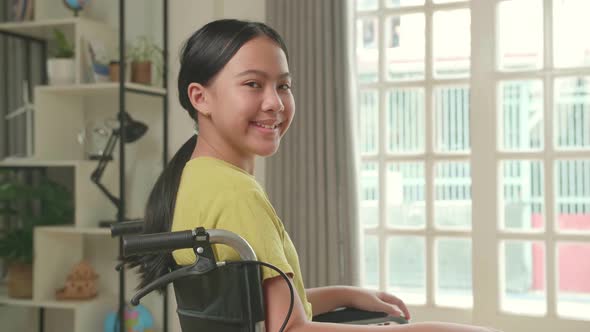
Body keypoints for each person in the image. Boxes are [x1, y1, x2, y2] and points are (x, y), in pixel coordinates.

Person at [137, 19, 501, 332]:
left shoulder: (195, 180)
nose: (275, 103)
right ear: (201, 98)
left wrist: (345, 293)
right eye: (253, 84)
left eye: (283, 85)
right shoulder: (236, 194)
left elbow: (254, 311)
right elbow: (291, 328)